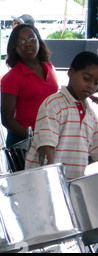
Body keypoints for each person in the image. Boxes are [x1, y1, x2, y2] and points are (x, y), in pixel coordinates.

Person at [25, 51, 98, 180]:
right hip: (45, 183)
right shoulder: (53, 105)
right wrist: (53, 181)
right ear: (70, 73)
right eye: (86, 79)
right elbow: (46, 148)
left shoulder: (91, 115)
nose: (91, 86)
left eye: (96, 83)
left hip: (71, 185)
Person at [0, 24, 58, 148]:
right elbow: (7, 120)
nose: (27, 44)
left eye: (32, 39)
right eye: (21, 41)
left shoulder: (49, 66)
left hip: (50, 136)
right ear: (14, 48)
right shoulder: (11, 78)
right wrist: (34, 137)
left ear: (39, 41)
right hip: (23, 141)